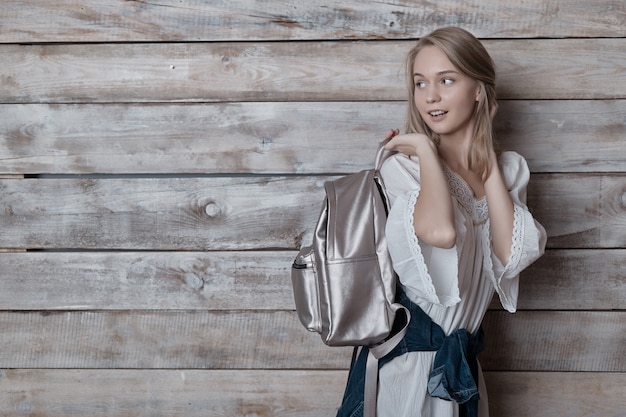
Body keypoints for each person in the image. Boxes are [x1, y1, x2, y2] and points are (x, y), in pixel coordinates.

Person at [335, 27, 547, 417]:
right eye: (420, 83)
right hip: (407, 371)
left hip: (461, 371)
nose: (430, 96)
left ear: (479, 89)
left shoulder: (510, 170)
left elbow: (510, 255)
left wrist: (486, 160)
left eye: (446, 80)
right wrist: (424, 151)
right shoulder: (404, 168)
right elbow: (441, 233)